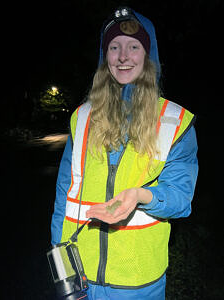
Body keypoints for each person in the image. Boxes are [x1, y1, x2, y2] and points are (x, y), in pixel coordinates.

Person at [51, 6, 198, 300]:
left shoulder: (175, 121)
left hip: (140, 281)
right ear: (105, 57)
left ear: (148, 56)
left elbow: (181, 198)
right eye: (114, 46)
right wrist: (64, 271)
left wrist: (142, 196)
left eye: (134, 46)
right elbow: (62, 198)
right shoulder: (82, 117)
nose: (123, 56)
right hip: (83, 277)